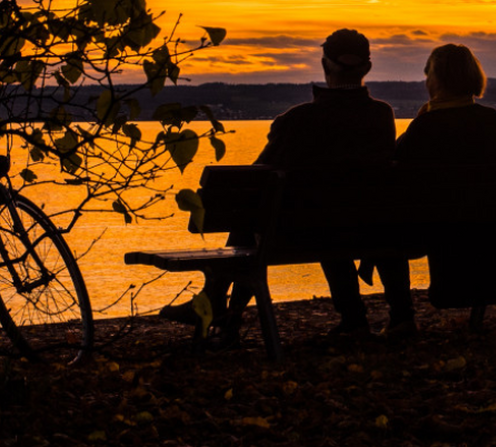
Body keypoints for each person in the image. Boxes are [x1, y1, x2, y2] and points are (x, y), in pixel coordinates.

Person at [160, 29, 400, 338]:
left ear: (326, 65)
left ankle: (218, 303)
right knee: (294, 215)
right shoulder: (382, 116)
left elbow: (256, 180)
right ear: (367, 68)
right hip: (367, 229)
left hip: (302, 234)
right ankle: (223, 306)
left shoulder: (298, 120)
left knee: (256, 212)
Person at [381, 44, 496, 332]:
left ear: (439, 79)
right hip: (494, 230)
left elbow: (392, 170)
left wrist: (420, 120)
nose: (426, 80)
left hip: (439, 230)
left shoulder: (426, 127)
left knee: (383, 232)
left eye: (428, 73)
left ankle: (402, 318)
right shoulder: (493, 122)